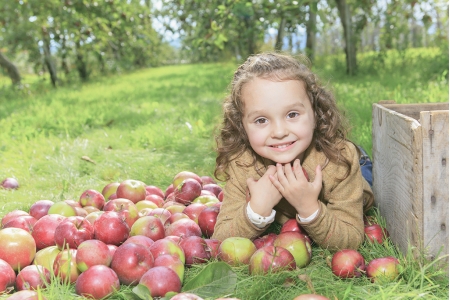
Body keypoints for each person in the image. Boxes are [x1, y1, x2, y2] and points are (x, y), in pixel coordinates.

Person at [211, 52, 374, 251]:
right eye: (261, 120)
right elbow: (220, 240)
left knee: (368, 174)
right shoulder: (242, 164)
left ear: (316, 114)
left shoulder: (339, 162)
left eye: (292, 114)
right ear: (242, 126)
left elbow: (351, 239)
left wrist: (310, 208)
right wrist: (256, 210)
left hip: (356, 166)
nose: (279, 132)